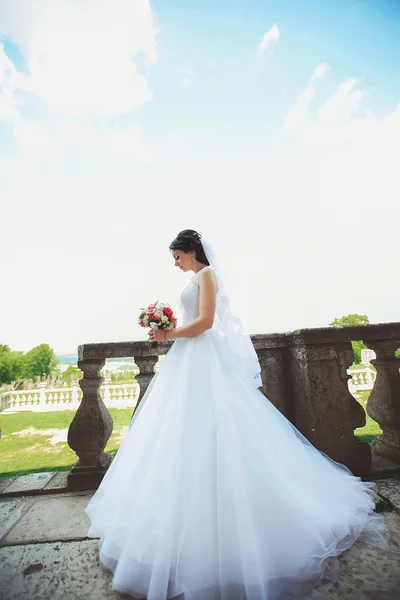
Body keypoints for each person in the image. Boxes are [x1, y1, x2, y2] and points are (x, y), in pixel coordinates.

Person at [85, 229, 387, 600]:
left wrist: (168, 334)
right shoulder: (196, 278)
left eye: (177, 256)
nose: (175, 263)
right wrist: (167, 330)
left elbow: (206, 322)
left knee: (221, 427)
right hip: (188, 362)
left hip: (202, 358)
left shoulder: (207, 275)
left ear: (192, 251)